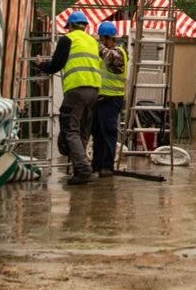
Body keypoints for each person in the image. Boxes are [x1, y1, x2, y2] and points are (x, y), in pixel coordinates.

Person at [36, 10, 101, 185]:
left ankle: (83, 169)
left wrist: (41, 64)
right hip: (94, 90)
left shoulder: (68, 39)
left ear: (70, 25)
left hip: (76, 90)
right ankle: (80, 167)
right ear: (84, 26)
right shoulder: (93, 41)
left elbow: (55, 65)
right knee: (83, 131)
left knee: (70, 130)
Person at [91, 21, 128, 177]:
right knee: (97, 134)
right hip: (100, 99)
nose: (100, 41)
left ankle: (107, 167)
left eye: (101, 39)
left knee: (108, 133)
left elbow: (109, 57)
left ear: (108, 38)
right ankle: (96, 165)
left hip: (112, 99)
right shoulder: (106, 52)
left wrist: (95, 44)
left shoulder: (119, 52)